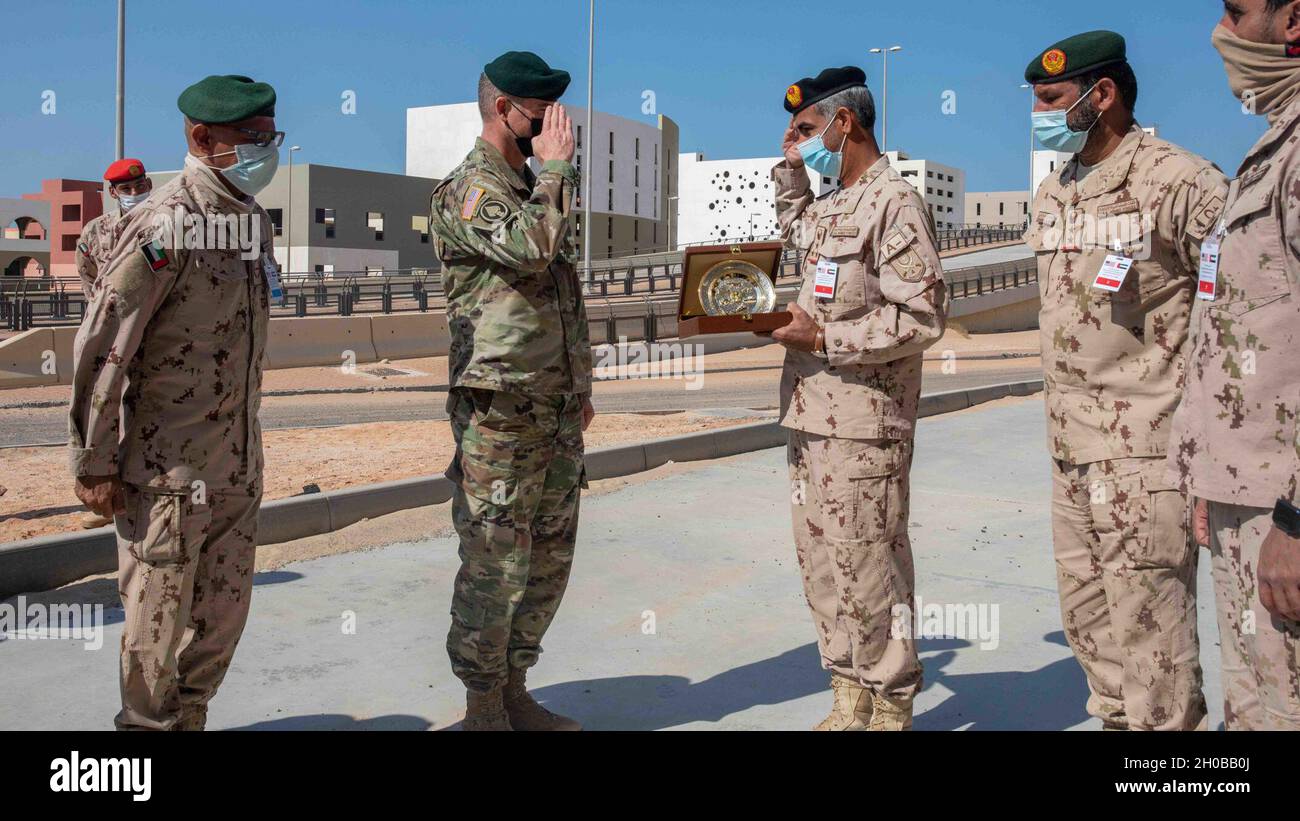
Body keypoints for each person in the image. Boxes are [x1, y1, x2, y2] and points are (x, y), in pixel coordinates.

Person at [1023, 30, 1229, 731]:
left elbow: (1241, 300)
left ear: (1101, 94)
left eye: (1051, 99)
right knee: (1093, 635)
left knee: (1155, 649)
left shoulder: (1180, 180)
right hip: (1069, 455)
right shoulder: (1055, 192)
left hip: (1145, 453)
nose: (1039, 114)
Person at [68, 74, 282, 730]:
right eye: (252, 138)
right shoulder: (165, 225)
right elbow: (106, 342)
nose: (265, 149)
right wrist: (94, 459)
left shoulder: (250, 223)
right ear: (202, 138)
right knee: (153, 660)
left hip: (236, 475)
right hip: (168, 482)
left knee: (215, 638)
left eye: (271, 136)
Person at [769, 66, 948, 730]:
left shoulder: (892, 201)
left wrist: (827, 336)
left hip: (866, 422)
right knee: (823, 564)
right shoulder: (834, 202)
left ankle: (890, 699)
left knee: (870, 565)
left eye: (809, 129)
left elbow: (922, 316)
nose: (800, 140)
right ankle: (847, 690)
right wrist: (791, 166)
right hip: (813, 415)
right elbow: (796, 229)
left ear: (846, 124)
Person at [428, 51, 594, 731]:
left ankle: (516, 687)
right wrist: (555, 170)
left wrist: (580, 383)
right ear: (505, 111)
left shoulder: (535, 186)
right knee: (496, 561)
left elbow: (560, 291)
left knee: (548, 555)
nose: (555, 126)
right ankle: (482, 704)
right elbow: (529, 249)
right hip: (498, 414)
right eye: (542, 113)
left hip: (552, 408)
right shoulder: (469, 191)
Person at [1167, 0, 1300, 730]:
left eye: (1237, 11)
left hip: (1283, 512)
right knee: (1250, 711)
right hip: (1241, 500)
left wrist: (1299, 519)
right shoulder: (1270, 151)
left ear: (1293, 22)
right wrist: (1206, 479)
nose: (1219, 33)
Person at [75, 158, 153, 298]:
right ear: (113, 192)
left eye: (140, 186)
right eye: (126, 189)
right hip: (114, 311)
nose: (134, 193)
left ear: (149, 184)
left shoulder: (166, 221)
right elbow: (88, 275)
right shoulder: (95, 230)